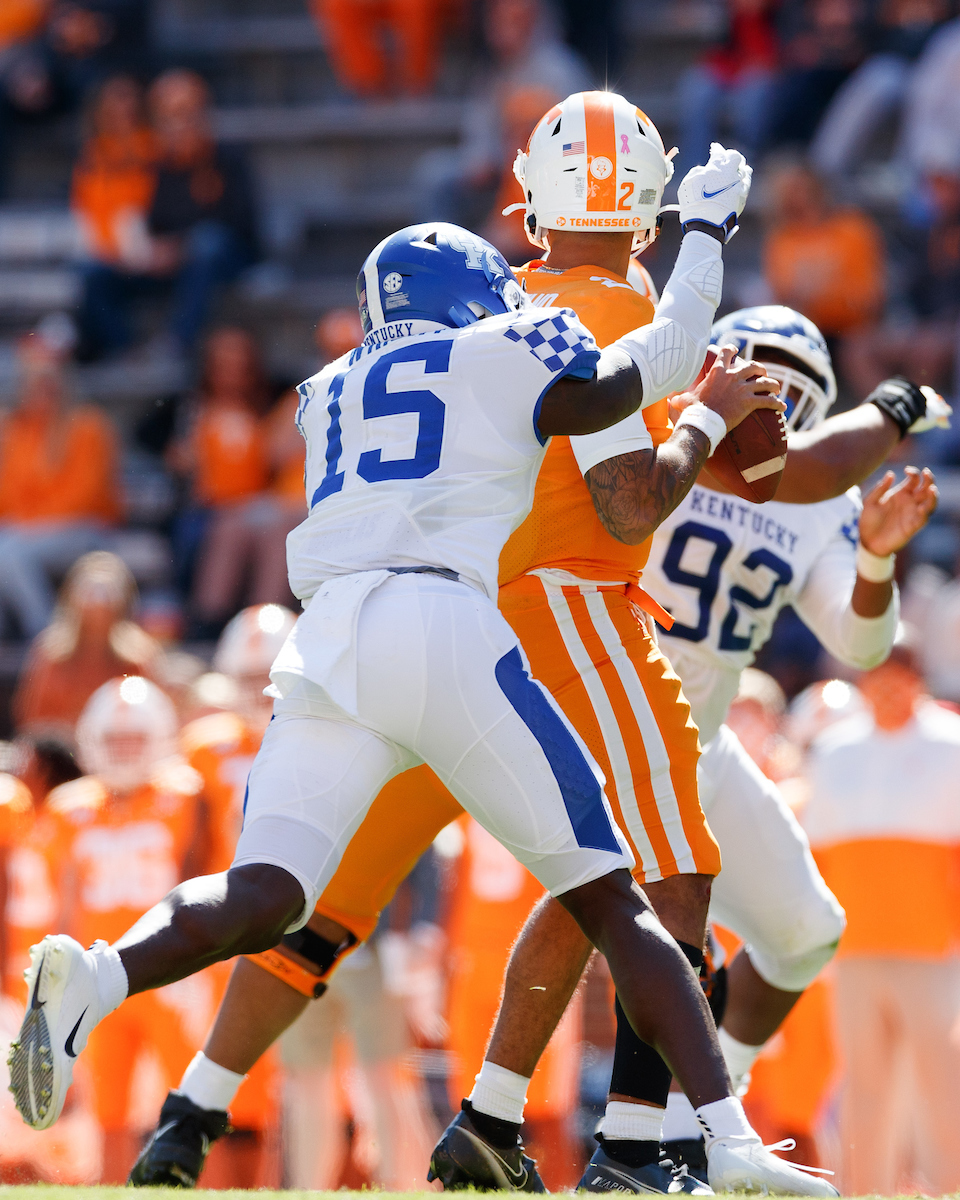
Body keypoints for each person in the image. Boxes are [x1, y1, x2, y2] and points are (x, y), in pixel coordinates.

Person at [10, 201, 811, 1200]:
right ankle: (726, 1144)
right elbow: (660, 354)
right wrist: (701, 237)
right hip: (441, 624)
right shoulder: (497, 348)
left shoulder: (323, 389)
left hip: (325, 641)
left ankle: (100, 974)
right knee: (613, 889)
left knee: (270, 894)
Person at [804, 634, 960, 1194]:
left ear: (917, 682)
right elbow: (817, 853)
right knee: (865, 1089)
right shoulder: (834, 749)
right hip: (856, 950)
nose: (887, 689)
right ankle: (863, 1191)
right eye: (876, 676)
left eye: (898, 677)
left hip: (935, 951)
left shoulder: (952, 744)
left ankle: (950, 1188)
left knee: (945, 1086)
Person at [48, 677, 209, 1183]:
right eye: (114, 739)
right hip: (97, 975)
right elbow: (65, 902)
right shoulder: (70, 807)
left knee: (193, 1105)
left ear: (158, 737)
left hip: (167, 975)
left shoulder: (184, 795)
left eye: (134, 738)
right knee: (108, 1111)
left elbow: (201, 877)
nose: (123, 751)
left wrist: (200, 965)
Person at [78, 69, 257, 360]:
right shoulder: (156, 166)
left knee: (207, 243)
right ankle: (125, 352)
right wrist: (144, 250)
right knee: (92, 271)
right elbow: (145, 223)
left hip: (224, 260)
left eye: (187, 112)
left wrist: (179, 246)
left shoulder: (227, 158)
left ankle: (177, 341)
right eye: (169, 116)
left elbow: (242, 224)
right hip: (171, 263)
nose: (180, 124)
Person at [166, 328, 296, 635]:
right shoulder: (192, 409)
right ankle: (210, 619)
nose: (232, 374)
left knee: (260, 525)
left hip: (256, 500)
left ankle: (262, 623)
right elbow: (177, 458)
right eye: (223, 366)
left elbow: (272, 457)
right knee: (225, 527)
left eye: (240, 365)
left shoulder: (269, 404)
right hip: (210, 506)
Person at [0, 339, 121, 641]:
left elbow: (84, 497)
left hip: (85, 530)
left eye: (49, 381)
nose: (43, 390)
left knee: (8, 552)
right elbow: (6, 498)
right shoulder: (16, 431)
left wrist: (28, 520)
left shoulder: (88, 426)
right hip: (28, 535)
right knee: (8, 549)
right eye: (34, 382)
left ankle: (46, 638)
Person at [13, 551, 161, 739]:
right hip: (65, 758)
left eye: (107, 593)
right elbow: (32, 721)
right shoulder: (51, 654)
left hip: (121, 758)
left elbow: (153, 717)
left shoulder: (138, 657)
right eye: (90, 593)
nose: (98, 602)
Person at [71, 75, 157, 281]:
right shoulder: (92, 155)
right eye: (117, 99)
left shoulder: (155, 149)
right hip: (106, 252)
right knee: (88, 273)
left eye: (129, 98)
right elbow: (85, 208)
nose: (124, 108)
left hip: (151, 242)